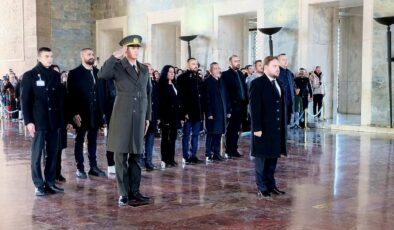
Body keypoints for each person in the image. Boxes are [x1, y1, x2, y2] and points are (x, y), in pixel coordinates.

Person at [98, 35, 152, 207]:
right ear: (125, 49)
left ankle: (134, 191)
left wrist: (148, 117)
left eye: (138, 48)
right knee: (120, 156)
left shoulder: (143, 69)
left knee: (136, 156)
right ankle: (123, 193)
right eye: (132, 47)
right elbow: (102, 74)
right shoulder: (117, 66)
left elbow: (147, 94)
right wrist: (114, 56)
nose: (136, 50)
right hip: (122, 114)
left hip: (139, 117)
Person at [21, 47, 65, 196]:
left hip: (53, 121)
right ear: (39, 58)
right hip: (38, 121)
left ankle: (50, 183)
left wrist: (62, 120)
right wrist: (28, 122)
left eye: (51, 56)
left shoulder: (55, 75)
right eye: (46, 56)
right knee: (37, 154)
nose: (50, 59)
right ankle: (39, 185)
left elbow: (59, 99)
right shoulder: (30, 75)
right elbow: (25, 101)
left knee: (53, 153)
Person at [249, 56, 287, 198]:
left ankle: (271, 185)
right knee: (262, 161)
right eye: (274, 66)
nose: (278, 69)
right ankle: (262, 187)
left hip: (275, 129)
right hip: (262, 129)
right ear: (265, 68)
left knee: (272, 159)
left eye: (278, 66)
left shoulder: (279, 83)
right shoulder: (257, 84)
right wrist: (257, 128)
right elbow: (254, 108)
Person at [67, 48, 106, 178]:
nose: (91, 56)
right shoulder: (74, 73)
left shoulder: (97, 72)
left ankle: (93, 167)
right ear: (82, 56)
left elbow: (101, 93)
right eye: (89, 54)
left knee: (93, 140)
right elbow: (70, 95)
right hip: (81, 114)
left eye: (92, 54)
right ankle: (80, 168)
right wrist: (74, 113)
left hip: (95, 113)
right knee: (79, 140)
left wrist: (102, 112)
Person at [177, 58, 204, 164]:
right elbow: (181, 96)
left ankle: (193, 155)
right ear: (188, 65)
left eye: (196, 64)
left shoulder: (199, 79)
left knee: (196, 134)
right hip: (188, 112)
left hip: (197, 112)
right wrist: (184, 112)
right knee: (186, 135)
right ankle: (186, 156)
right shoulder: (182, 78)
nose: (195, 66)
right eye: (193, 64)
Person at [221, 55, 248, 158]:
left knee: (237, 129)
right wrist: (228, 109)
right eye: (235, 61)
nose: (238, 62)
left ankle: (234, 149)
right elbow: (225, 93)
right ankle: (229, 150)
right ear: (230, 62)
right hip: (232, 106)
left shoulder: (241, 74)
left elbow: (244, 89)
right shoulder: (225, 75)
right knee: (231, 129)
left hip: (241, 106)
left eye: (238, 60)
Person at [203, 62, 228, 162]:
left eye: (218, 68)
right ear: (211, 70)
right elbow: (207, 99)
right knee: (211, 133)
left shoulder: (220, 80)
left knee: (218, 133)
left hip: (220, 112)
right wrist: (209, 113)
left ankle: (216, 153)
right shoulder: (208, 81)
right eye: (215, 68)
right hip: (212, 113)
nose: (217, 70)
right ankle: (208, 153)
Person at [158, 65, 180, 168]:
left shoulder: (174, 84)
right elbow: (161, 103)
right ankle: (165, 159)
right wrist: (163, 118)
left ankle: (171, 159)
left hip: (174, 116)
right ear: (165, 73)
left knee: (173, 138)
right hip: (166, 117)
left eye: (173, 72)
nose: (172, 73)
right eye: (170, 72)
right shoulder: (161, 85)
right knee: (165, 139)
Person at [143, 63, 158, 171]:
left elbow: (156, 99)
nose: (150, 70)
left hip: (153, 115)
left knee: (151, 138)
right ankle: (139, 161)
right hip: (142, 114)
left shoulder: (154, 82)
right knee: (140, 139)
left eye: (151, 68)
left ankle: (148, 160)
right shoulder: (139, 82)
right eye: (147, 68)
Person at [277, 53, 295, 124]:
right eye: (283, 60)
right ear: (278, 62)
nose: (286, 61)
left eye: (286, 59)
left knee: (286, 125)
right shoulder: (276, 72)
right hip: (279, 104)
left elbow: (292, 87)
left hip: (289, 104)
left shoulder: (290, 73)